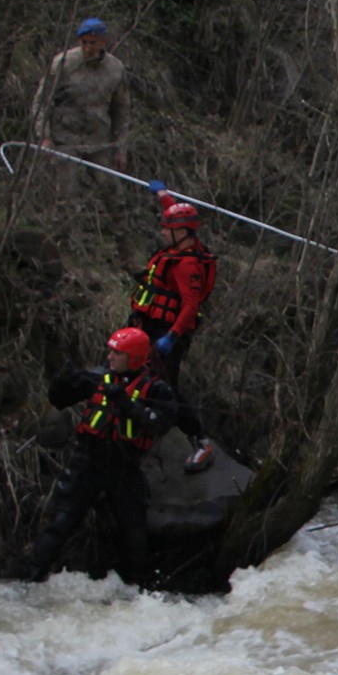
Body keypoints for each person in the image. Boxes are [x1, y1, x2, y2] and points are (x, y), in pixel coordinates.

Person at [28, 326, 177, 583]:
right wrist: (61, 380)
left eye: (116, 354)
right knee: (60, 522)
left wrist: (127, 404)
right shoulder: (97, 378)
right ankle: (32, 578)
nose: (110, 358)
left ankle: (141, 588)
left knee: (134, 533)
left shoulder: (157, 390)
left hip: (125, 466)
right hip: (87, 461)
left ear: (134, 359)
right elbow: (59, 399)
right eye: (110, 352)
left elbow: (159, 424)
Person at [130, 195, 220, 472]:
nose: (161, 232)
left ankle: (200, 441)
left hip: (167, 333)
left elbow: (191, 305)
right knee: (136, 378)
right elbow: (176, 216)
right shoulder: (180, 244)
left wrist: (172, 336)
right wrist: (163, 197)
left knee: (165, 389)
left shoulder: (187, 265)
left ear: (181, 233)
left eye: (166, 229)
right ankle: (138, 433)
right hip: (149, 325)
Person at [30, 18, 129, 173]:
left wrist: (120, 148)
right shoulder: (63, 63)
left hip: (99, 140)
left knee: (111, 190)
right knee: (68, 192)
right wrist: (44, 137)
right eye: (84, 42)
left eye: (93, 43)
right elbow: (41, 101)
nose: (88, 48)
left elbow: (121, 110)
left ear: (103, 42)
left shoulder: (115, 69)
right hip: (65, 138)